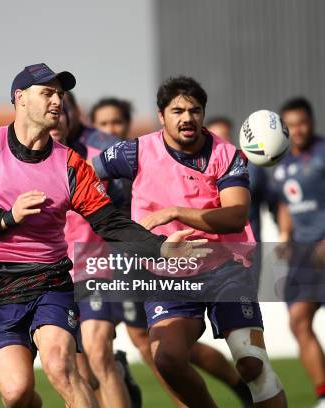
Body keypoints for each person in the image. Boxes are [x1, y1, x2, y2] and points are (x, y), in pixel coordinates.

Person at [0, 63, 205, 408]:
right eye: (47, 93)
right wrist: (6, 218)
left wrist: (159, 247)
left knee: (62, 367)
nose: (57, 102)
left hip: (49, 281)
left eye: (60, 95)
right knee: (17, 392)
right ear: (19, 98)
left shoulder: (71, 164)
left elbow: (108, 220)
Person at [93, 76, 287, 407]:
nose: (187, 118)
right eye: (177, 110)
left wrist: (175, 212)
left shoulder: (227, 155)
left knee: (251, 363)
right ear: (161, 115)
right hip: (166, 273)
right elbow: (84, 174)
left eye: (195, 110)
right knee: (166, 359)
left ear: (203, 114)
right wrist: (99, 204)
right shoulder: (134, 151)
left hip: (225, 269)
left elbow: (237, 215)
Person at [51, 108, 139, 408]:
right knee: (77, 371)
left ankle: (116, 371)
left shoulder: (94, 157)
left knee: (98, 351)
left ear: (72, 117)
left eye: (61, 111)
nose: (55, 118)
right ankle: (121, 376)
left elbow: (128, 205)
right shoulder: (20, 165)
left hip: (95, 261)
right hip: (53, 272)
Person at [272, 97, 325, 407]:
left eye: (302, 122)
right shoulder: (280, 163)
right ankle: (323, 395)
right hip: (303, 255)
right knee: (298, 320)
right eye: (291, 125)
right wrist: (284, 236)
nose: (298, 129)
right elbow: (285, 203)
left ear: (312, 122)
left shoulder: (322, 154)